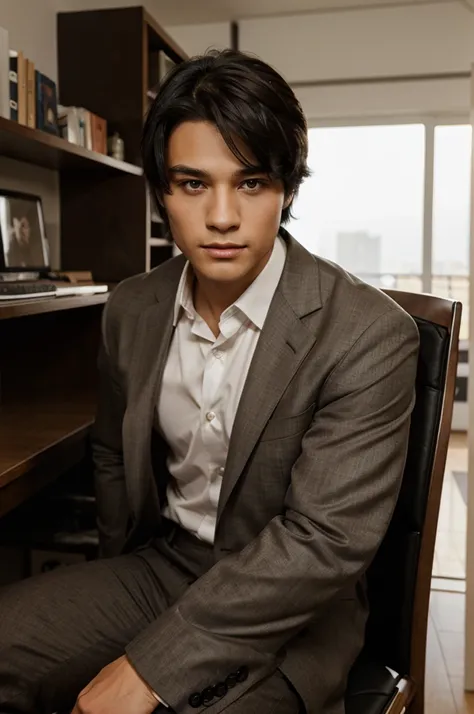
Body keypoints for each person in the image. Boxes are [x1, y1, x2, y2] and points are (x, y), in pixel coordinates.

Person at [0, 49, 419, 714]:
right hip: (165, 568)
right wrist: (121, 591)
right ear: (162, 191)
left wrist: (145, 667)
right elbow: (112, 454)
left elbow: (322, 544)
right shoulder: (133, 308)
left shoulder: (368, 333)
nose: (221, 217)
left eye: (250, 183)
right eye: (193, 184)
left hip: (295, 607)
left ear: (286, 188)